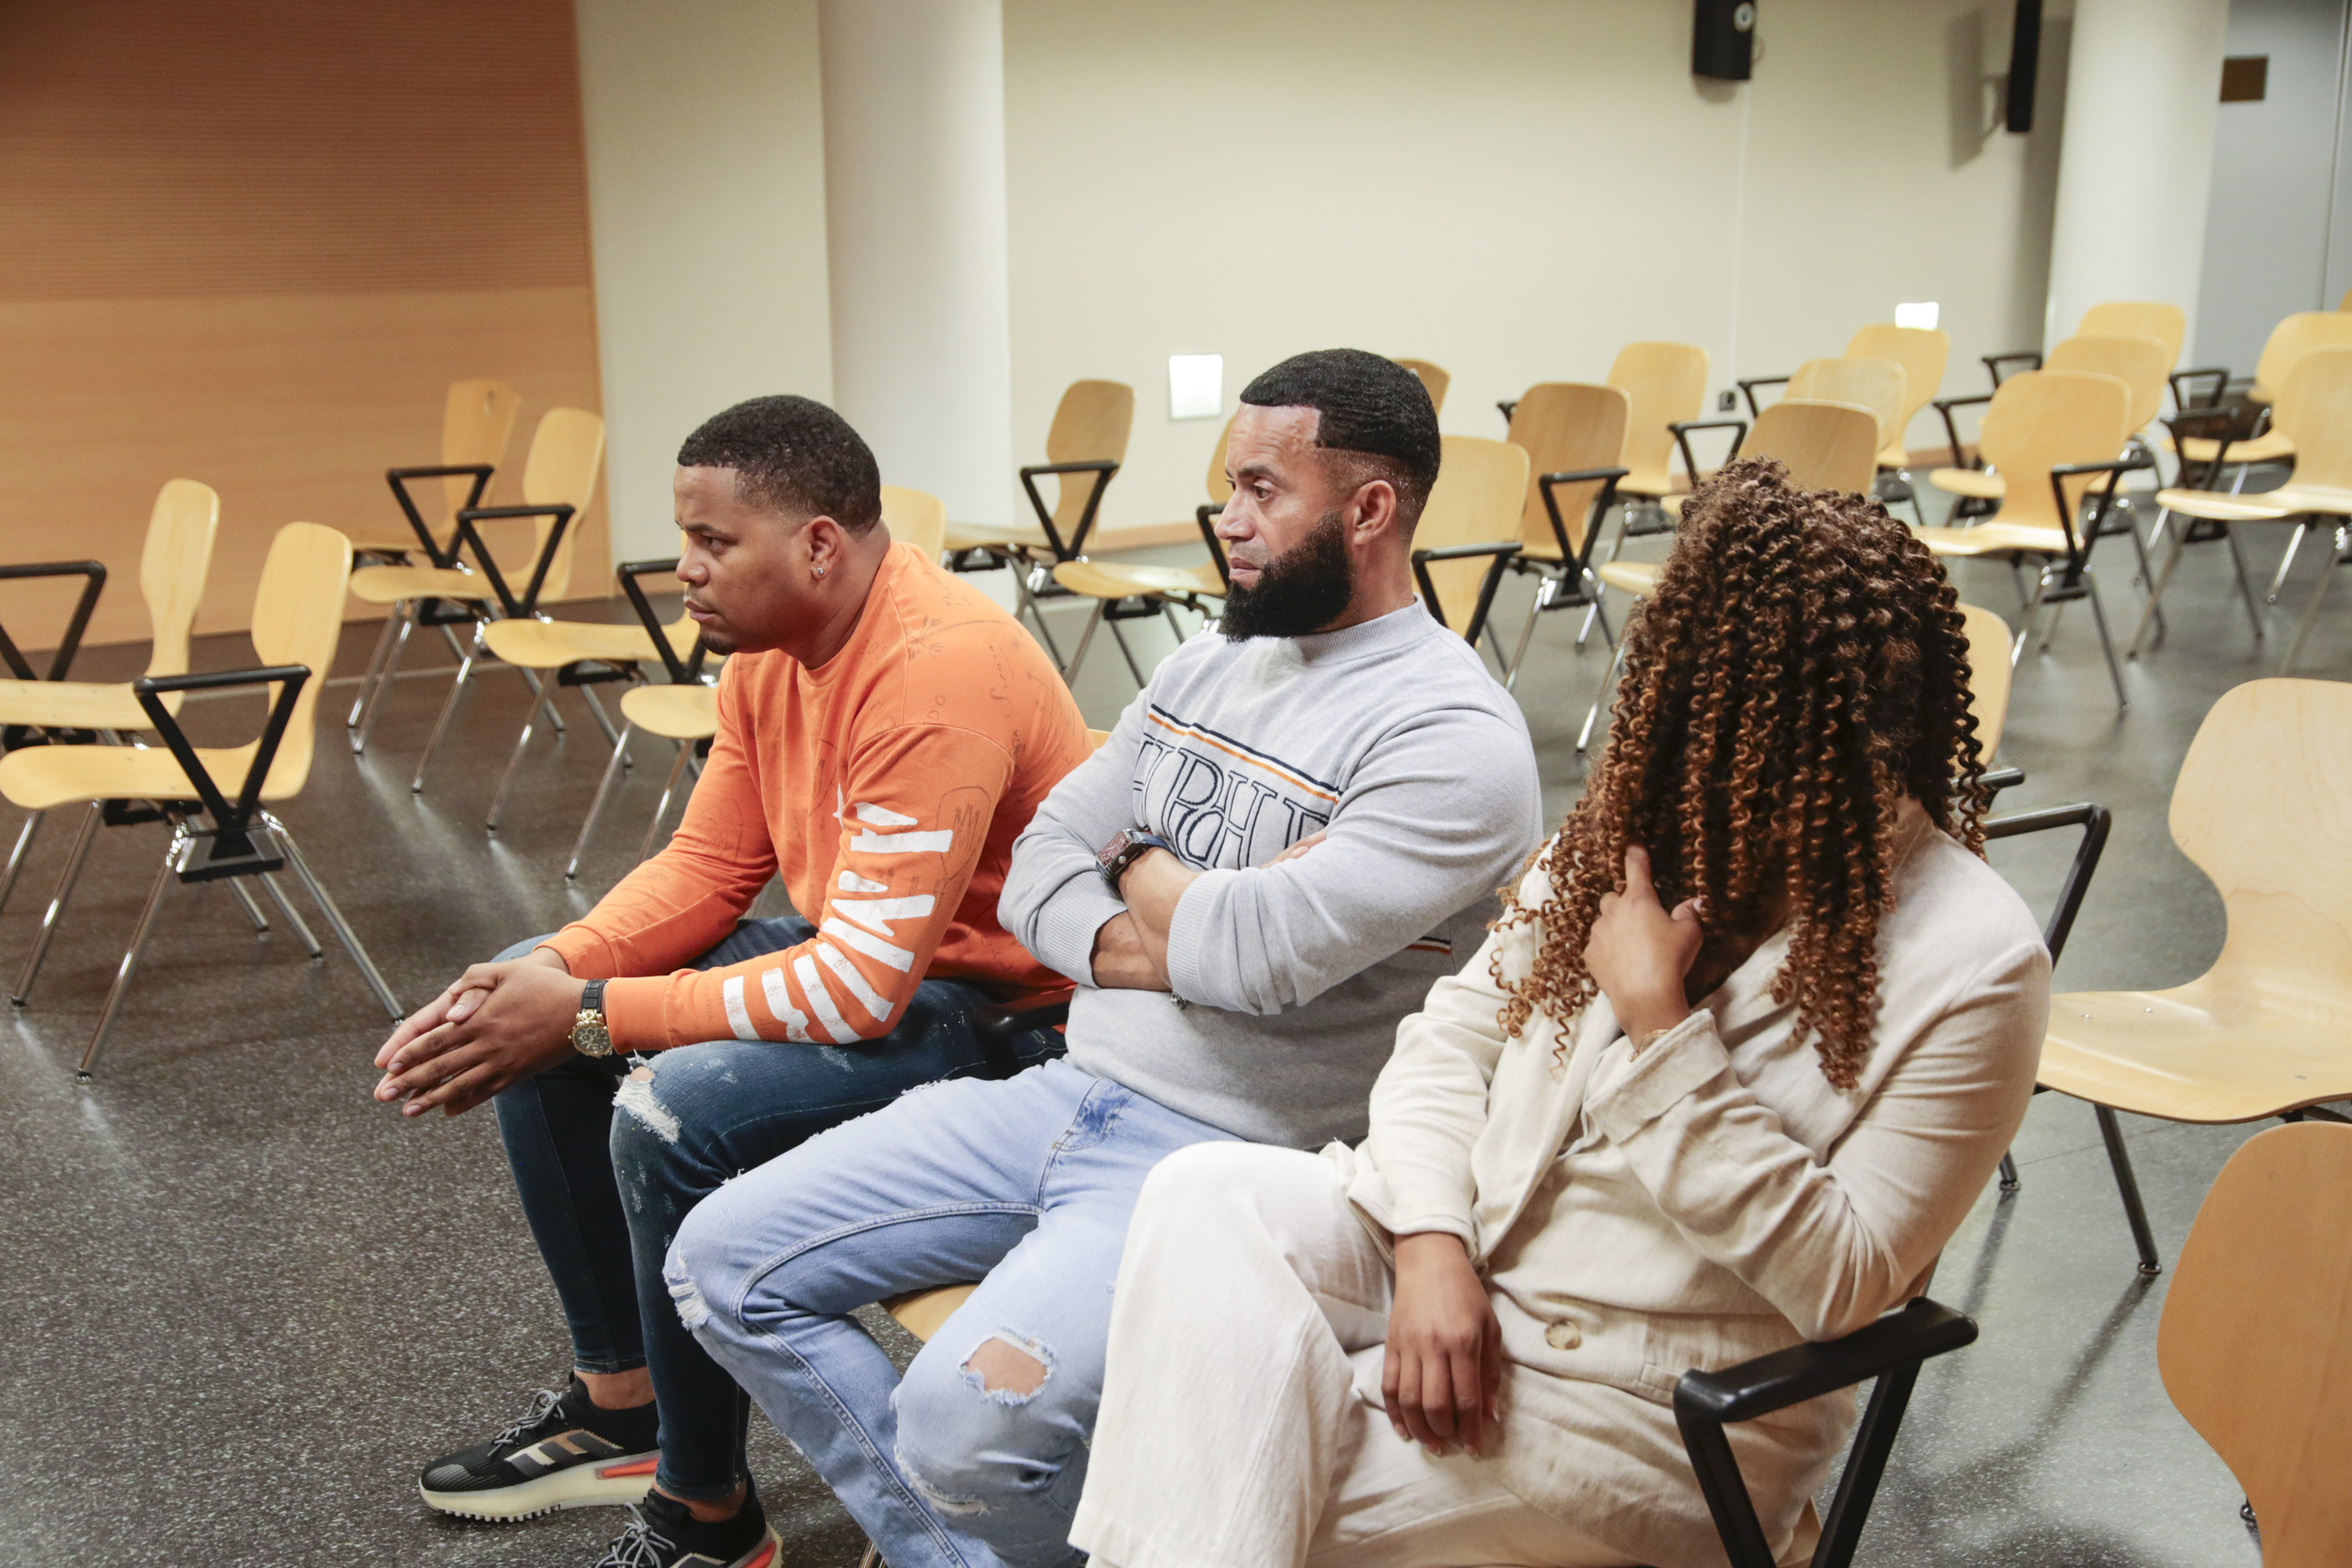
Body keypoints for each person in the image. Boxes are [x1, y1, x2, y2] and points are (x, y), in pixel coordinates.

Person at [1069, 459, 2052, 1568]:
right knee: (1204, 1194)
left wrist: (1656, 1023)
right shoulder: (1640, 825)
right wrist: (1433, 1243)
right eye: (1686, 716)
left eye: (1746, 739)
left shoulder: (1974, 961)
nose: (1700, 767)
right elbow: (1448, 1037)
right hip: (1469, 1269)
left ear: (1866, 734)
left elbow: (1844, 1280)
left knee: (1237, 1475)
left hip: (1637, 1405)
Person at [666, 350, 1546, 1568]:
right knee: (718, 1258)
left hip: (1228, 1157)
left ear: (1371, 508)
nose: (1226, 521)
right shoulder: (1202, 664)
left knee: (958, 1426)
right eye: (1226, 488)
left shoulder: (1452, 735)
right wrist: (1174, 928)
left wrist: (1134, 866)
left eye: (1258, 490)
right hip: (1063, 1088)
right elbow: (1039, 868)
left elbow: (1254, 954)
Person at [371, 395, 1093, 1568]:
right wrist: (557, 972)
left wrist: (598, 1011)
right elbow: (711, 866)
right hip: (875, 959)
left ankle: (706, 1510)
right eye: (682, 540)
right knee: (527, 1000)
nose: (681, 572)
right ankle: (622, 1402)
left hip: (1004, 1016)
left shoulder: (933, 666)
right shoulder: (770, 652)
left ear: (816, 543)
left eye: (712, 544)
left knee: (669, 1109)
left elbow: (858, 989)